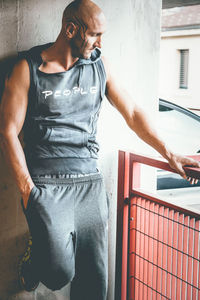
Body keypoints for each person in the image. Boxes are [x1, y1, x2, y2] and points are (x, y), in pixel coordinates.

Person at [0, 0, 199, 299]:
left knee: (95, 285)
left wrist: (170, 154)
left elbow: (132, 112)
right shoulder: (28, 67)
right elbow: (8, 131)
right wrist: (29, 191)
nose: (101, 42)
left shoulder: (98, 65)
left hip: (89, 185)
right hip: (47, 185)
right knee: (58, 274)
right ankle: (35, 260)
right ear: (70, 29)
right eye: (95, 34)